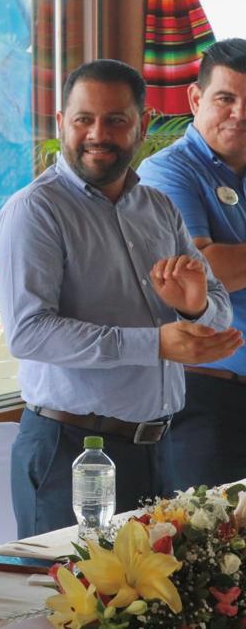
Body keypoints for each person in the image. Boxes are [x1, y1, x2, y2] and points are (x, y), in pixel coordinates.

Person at [0, 59, 241, 538]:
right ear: (61, 122)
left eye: (116, 120)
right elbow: (29, 333)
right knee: (68, 589)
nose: (97, 134)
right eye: (84, 119)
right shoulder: (35, 211)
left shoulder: (158, 207)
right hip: (71, 452)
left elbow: (216, 304)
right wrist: (156, 343)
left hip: (160, 447)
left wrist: (193, 308)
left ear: (143, 125)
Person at [139, 38, 246, 490]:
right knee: (209, 530)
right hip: (206, 397)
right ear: (196, 98)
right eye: (226, 98)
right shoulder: (167, 172)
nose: (239, 113)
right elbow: (206, 271)